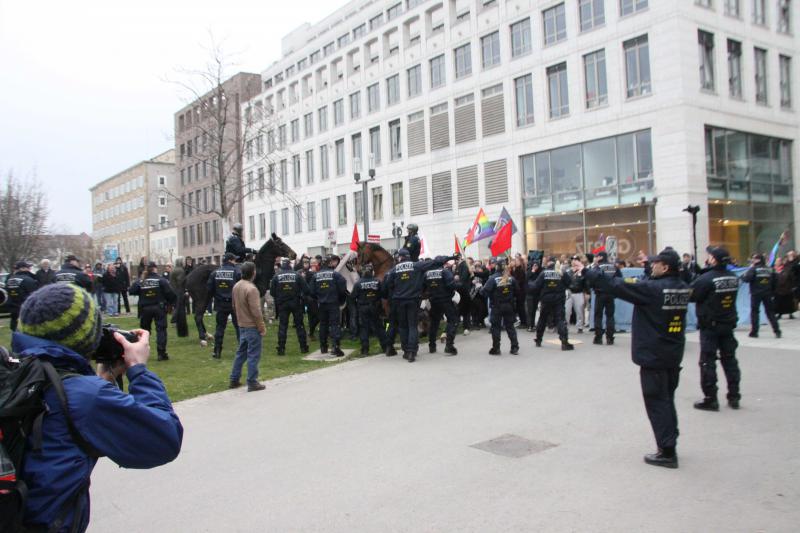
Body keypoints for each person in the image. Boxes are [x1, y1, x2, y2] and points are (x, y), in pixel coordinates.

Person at [12, 283, 183, 532]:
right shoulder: (85, 397)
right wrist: (138, 370)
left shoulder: (16, 375)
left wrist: (103, 381)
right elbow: (164, 439)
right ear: (86, 338)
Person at [584, 249, 691, 469]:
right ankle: (670, 437)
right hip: (672, 352)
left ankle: (667, 450)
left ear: (665, 267)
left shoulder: (654, 290)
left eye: (656, 263)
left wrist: (591, 273)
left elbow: (618, 287)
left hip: (654, 354)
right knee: (667, 399)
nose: (652, 266)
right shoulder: (680, 286)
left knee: (657, 402)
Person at [690, 246, 742, 411]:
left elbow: (692, 295)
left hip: (710, 325)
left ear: (713, 260)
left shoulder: (706, 279)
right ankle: (734, 396)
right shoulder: (733, 277)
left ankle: (711, 397)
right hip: (728, 323)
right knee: (730, 360)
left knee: (707, 362)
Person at [383, 249, 454, 362]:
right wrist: (450, 257)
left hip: (399, 301)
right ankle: (412, 352)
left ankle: (406, 351)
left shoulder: (394, 269)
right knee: (412, 326)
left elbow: (388, 284)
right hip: (413, 300)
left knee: (403, 327)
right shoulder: (417, 265)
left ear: (400, 257)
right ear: (408, 256)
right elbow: (435, 262)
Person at [230, 261, 267, 391]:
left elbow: (234, 306)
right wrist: (261, 326)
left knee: (241, 353)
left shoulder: (236, 286)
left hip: (242, 324)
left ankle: (234, 378)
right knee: (253, 354)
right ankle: (252, 381)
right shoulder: (251, 289)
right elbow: (256, 311)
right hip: (252, 326)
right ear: (253, 272)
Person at [129, 261, 177, 361]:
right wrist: (171, 304)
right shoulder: (161, 280)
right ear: (155, 269)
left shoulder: (141, 281)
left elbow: (131, 290)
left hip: (145, 308)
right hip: (159, 308)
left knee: (144, 332)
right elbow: (171, 294)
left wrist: (141, 283)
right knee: (161, 330)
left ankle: (142, 352)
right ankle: (161, 353)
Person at [532, 257, 574, 351]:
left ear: (548, 263)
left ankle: (538, 339)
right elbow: (570, 283)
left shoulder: (544, 273)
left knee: (542, 319)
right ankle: (564, 341)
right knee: (560, 319)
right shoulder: (561, 272)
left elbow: (536, 286)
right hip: (558, 300)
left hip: (546, 300)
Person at [269, 258, 310, 355]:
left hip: (282, 304)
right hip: (296, 303)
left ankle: (281, 348)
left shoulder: (276, 276)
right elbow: (307, 290)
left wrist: (280, 297)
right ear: (290, 265)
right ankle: (303, 347)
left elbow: (272, 292)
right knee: (299, 325)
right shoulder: (297, 275)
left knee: (283, 326)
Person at [310, 255, 348, 356]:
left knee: (323, 325)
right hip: (333, 303)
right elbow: (343, 287)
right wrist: (340, 299)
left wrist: (319, 297)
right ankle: (335, 347)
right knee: (335, 325)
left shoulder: (315, 276)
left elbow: (312, 292)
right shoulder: (335, 274)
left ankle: (323, 347)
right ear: (330, 263)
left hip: (322, 304)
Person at [481, 259, 519, 355]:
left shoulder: (493, 278)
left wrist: (480, 288)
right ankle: (514, 347)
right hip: (509, 305)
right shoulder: (511, 278)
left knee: (496, 327)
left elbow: (484, 292)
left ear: (497, 267)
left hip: (497, 306)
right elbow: (517, 291)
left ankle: (496, 348)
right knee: (510, 326)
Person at [207, 253, 242, 358]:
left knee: (220, 328)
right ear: (231, 260)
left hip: (220, 304)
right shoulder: (237, 271)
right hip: (234, 303)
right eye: (234, 260)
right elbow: (241, 287)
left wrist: (217, 297)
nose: (235, 262)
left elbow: (209, 289)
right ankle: (242, 351)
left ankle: (217, 351)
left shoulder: (215, 273)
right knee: (238, 327)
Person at [424, 257, 460, 356]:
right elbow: (451, 285)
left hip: (433, 301)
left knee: (434, 323)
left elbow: (424, 288)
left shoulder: (426, 274)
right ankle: (449, 345)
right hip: (446, 300)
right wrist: (459, 284)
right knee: (453, 320)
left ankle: (432, 346)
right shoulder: (445, 272)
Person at [351, 264, 389, 355]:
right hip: (375, 307)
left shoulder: (358, 283)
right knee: (379, 327)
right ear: (372, 271)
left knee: (364, 328)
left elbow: (352, 297)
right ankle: (385, 347)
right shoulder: (377, 282)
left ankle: (365, 350)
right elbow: (383, 294)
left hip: (363, 307)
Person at [742, 253, 780, 338]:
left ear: (758, 260)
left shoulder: (753, 269)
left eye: (754, 259)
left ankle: (754, 332)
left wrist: (745, 273)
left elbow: (746, 279)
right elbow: (775, 281)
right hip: (767, 293)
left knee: (755, 312)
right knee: (770, 312)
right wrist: (772, 292)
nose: (753, 260)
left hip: (756, 294)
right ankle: (777, 330)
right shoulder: (770, 269)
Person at [590, 251, 621, 345]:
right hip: (611, 294)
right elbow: (619, 279)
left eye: (597, 257)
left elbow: (591, 279)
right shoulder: (614, 267)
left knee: (598, 315)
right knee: (610, 316)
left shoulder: (597, 267)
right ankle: (610, 338)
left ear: (600, 257)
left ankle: (598, 337)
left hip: (600, 294)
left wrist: (594, 287)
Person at [5, 260, 39, 331]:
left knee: (15, 329)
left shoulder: (10, 279)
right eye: (28, 267)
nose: (29, 269)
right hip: (25, 309)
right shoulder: (28, 279)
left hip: (13, 309)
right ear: (22, 268)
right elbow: (34, 295)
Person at [564, 255, 587, 334]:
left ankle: (580, 327)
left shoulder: (582, 271)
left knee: (579, 310)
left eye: (576, 259)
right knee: (567, 310)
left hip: (579, 292)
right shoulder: (567, 271)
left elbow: (585, 283)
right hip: (569, 292)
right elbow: (564, 282)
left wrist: (586, 292)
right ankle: (566, 326)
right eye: (572, 259)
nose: (574, 261)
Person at [455, 255, 473, 334]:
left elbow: (463, 278)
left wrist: (458, 278)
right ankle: (463, 326)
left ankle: (466, 327)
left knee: (465, 310)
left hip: (464, 290)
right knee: (460, 309)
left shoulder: (464, 266)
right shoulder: (458, 266)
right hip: (461, 291)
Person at [525, 261, 542, 332]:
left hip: (536, 294)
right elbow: (526, 279)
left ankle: (533, 325)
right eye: (534, 265)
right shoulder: (529, 272)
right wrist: (532, 271)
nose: (535, 267)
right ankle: (529, 325)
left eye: (536, 266)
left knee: (534, 310)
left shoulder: (540, 273)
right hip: (529, 294)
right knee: (530, 310)